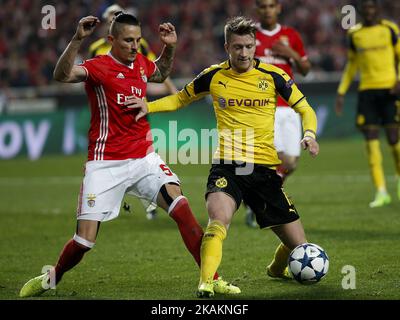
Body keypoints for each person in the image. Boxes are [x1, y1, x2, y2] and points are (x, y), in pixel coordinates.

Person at [19, 13, 239, 298]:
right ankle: (52, 277)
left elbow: (159, 72)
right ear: (111, 40)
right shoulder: (99, 67)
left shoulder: (139, 64)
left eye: (137, 40)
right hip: (105, 163)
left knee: (183, 209)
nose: (135, 46)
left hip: (144, 158)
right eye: (128, 41)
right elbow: (61, 75)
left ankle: (211, 279)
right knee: (84, 242)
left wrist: (169, 47)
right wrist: (76, 40)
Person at [127, 16, 319, 298]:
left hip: (265, 172)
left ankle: (278, 268)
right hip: (227, 167)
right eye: (238, 47)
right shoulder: (213, 75)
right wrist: (149, 105)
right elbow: (180, 98)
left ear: (255, 46)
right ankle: (206, 282)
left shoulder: (274, 76)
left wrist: (310, 134)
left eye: (249, 46)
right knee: (217, 223)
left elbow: (306, 109)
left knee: (301, 249)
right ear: (227, 46)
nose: (244, 53)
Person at [89, 4, 179, 220]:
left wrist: (171, 90)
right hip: (110, 112)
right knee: (120, 158)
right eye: (112, 15)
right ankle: (118, 192)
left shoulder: (140, 45)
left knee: (142, 156)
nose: (115, 17)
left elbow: (152, 70)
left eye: (118, 14)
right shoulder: (97, 50)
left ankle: (150, 203)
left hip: (137, 109)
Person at [244, 0, 311, 228]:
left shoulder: (291, 35)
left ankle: (257, 198)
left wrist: (289, 52)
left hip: (289, 107)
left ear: (278, 8)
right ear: (258, 9)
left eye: (271, 6)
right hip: (265, 107)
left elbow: (306, 69)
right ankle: (263, 205)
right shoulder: (250, 36)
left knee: (290, 163)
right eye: (263, 6)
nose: (267, 10)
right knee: (271, 161)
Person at [335, 0, 400, 208]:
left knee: (393, 139)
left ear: (378, 10)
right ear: (361, 12)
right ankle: (381, 191)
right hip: (367, 92)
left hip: (390, 89)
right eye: (366, 9)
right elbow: (352, 64)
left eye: (373, 8)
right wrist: (342, 91)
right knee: (371, 141)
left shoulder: (389, 29)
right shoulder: (354, 34)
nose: (369, 12)